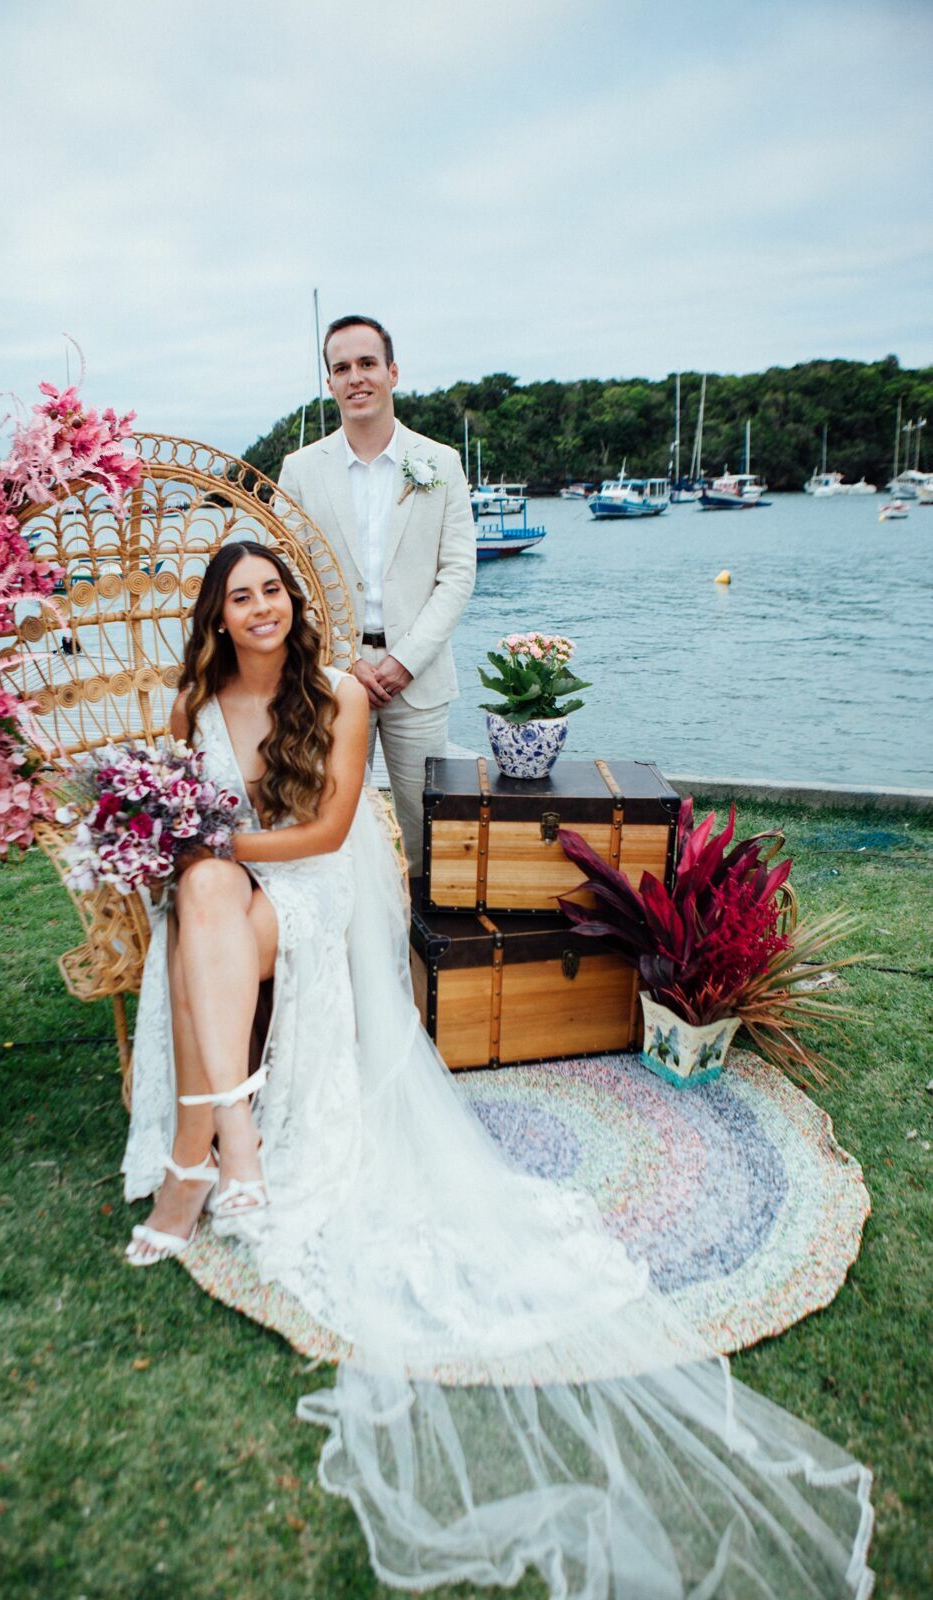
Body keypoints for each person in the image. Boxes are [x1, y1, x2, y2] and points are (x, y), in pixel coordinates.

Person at [122, 541, 873, 1599]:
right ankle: (227, 1147)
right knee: (197, 902)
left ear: (293, 604)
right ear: (215, 613)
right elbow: (169, 816)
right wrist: (173, 845)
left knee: (204, 889)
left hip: (307, 882)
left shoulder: (333, 693)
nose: (259, 609)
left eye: (272, 592)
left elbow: (333, 829)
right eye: (238, 596)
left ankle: (197, 1159)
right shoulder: (193, 703)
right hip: (226, 893)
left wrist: (212, 850)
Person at [277, 315, 476, 876]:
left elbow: (458, 573)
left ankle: (425, 944)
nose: (356, 378)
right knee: (335, 820)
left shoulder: (440, 462)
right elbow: (289, 580)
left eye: (367, 364)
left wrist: (405, 660)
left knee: (426, 827)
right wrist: (341, 662)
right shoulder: (298, 470)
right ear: (331, 383)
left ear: (392, 372)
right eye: (342, 368)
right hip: (333, 679)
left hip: (419, 676)